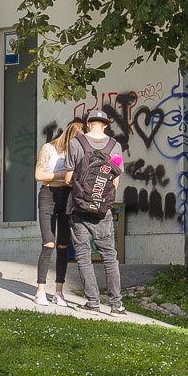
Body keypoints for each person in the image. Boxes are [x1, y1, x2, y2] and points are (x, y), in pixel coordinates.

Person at [66, 110, 126, 316]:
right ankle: (116, 306)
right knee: (110, 256)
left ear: (88, 123)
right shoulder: (114, 146)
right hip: (102, 211)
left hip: (78, 208)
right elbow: (116, 180)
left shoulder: (76, 143)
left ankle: (92, 302)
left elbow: (67, 179)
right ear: (106, 125)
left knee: (83, 255)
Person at [32, 121, 79, 307]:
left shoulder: (75, 152)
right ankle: (40, 289)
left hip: (67, 197)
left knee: (63, 245)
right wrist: (63, 177)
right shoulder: (49, 148)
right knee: (48, 243)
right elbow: (39, 175)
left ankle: (59, 291)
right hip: (48, 194)